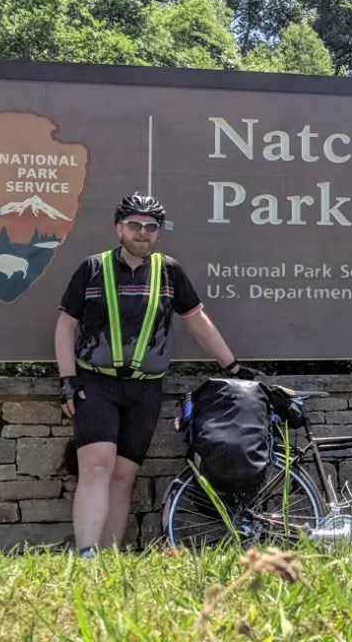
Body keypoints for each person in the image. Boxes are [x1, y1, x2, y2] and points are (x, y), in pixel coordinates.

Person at [54, 192, 244, 557]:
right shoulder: (92, 268)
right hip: (95, 383)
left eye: (150, 227)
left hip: (145, 389)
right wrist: (67, 379)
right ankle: (86, 555)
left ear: (158, 233)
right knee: (96, 466)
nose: (142, 232)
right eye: (134, 225)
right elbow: (66, 325)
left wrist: (232, 365)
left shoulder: (169, 271)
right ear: (118, 228)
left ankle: (108, 559)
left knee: (123, 476)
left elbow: (198, 322)